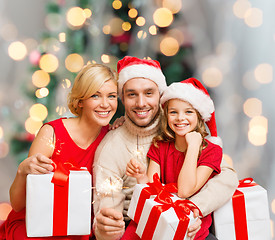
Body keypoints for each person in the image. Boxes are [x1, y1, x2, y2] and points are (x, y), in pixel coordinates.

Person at [93, 56, 239, 240]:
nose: (140, 103)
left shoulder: (178, 125)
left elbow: (227, 176)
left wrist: (192, 210)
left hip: (191, 221)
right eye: (132, 94)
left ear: (160, 95)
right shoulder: (112, 147)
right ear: (123, 98)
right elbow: (110, 214)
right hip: (142, 223)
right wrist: (107, 228)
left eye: (148, 93)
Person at [0, 63, 119, 240]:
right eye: (95, 95)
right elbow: (17, 205)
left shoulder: (113, 137)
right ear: (80, 101)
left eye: (112, 96)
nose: (105, 104)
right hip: (34, 228)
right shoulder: (52, 133)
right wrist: (22, 171)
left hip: (76, 231)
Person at [126, 78, 223, 239]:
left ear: (199, 116)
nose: (180, 118)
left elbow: (185, 190)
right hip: (162, 220)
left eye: (188, 112)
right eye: (173, 112)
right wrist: (141, 176)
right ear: (167, 115)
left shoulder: (212, 151)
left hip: (192, 227)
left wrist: (192, 147)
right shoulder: (160, 146)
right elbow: (151, 193)